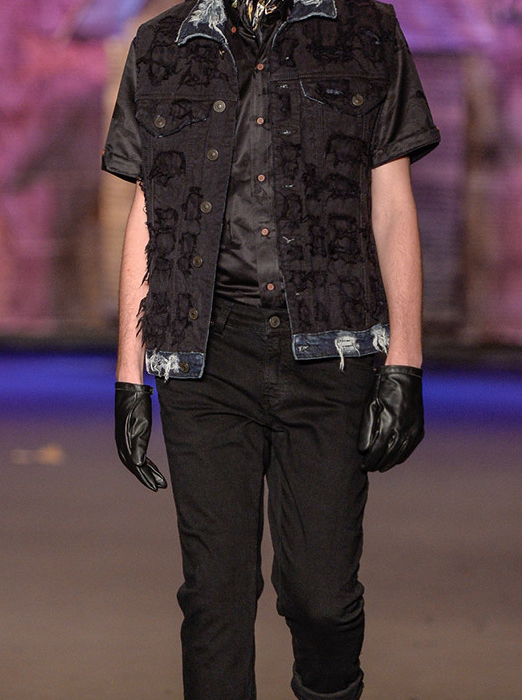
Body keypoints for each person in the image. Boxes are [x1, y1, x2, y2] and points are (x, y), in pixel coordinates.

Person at [103, 0, 440, 696]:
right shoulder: (161, 45)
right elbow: (148, 209)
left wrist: (405, 364)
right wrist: (129, 375)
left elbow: (392, 203)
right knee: (214, 598)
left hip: (330, 348)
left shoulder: (366, 31)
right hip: (205, 352)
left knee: (322, 600)